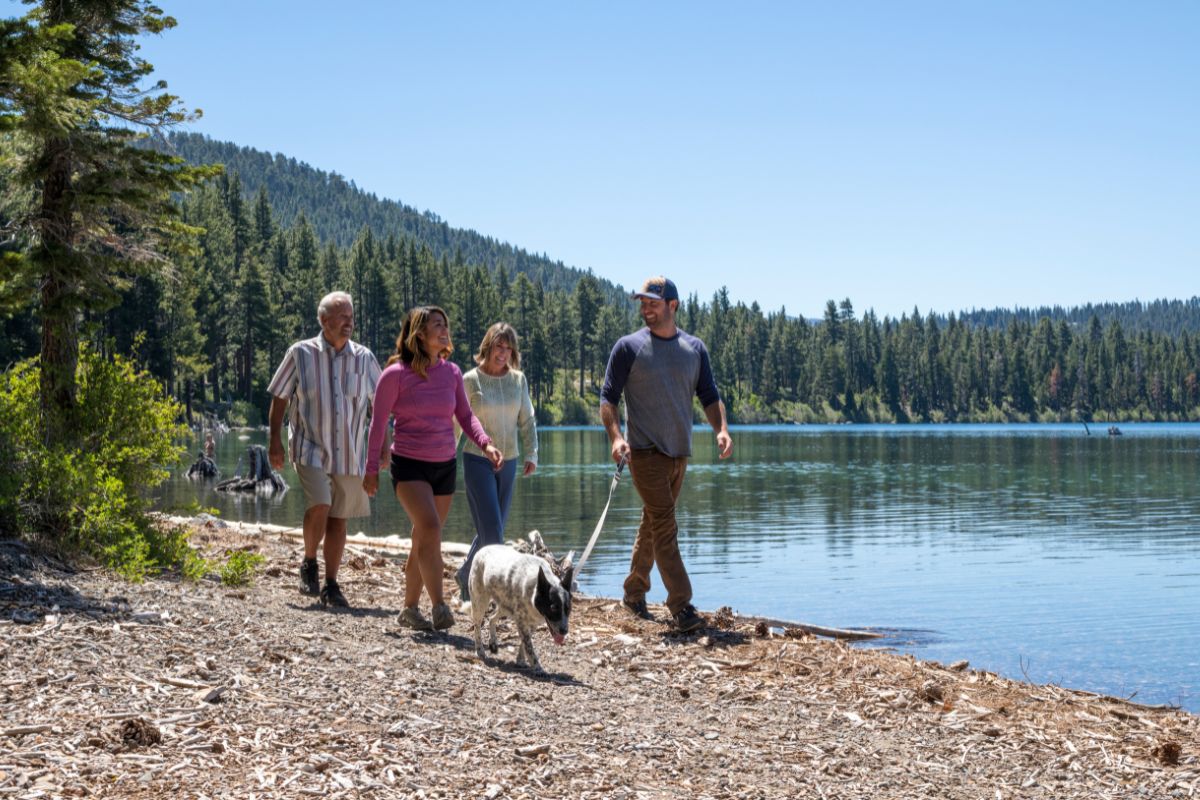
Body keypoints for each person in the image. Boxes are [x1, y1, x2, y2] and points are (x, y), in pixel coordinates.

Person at [600, 276, 733, 633]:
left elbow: (709, 395)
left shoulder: (694, 349)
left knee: (653, 522)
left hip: (679, 454)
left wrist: (720, 428)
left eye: (652, 303)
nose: (645, 309)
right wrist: (615, 438)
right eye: (642, 303)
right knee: (665, 525)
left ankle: (633, 591)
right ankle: (681, 605)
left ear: (672, 305)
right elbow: (608, 399)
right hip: (644, 452)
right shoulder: (628, 347)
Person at [363, 306, 503, 631]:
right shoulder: (394, 375)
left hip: (444, 466)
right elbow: (378, 424)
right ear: (419, 335)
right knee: (431, 528)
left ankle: (409, 609)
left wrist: (485, 444)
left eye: (445, 324)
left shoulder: (452, 373)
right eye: (436, 325)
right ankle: (439, 605)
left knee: (423, 537)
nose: (444, 330)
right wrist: (371, 468)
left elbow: (466, 417)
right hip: (409, 465)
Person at [268, 291, 381, 609]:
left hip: (350, 450)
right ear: (324, 320)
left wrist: (382, 450)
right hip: (309, 445)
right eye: (342, 316)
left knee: (339, 517)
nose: (349, 322)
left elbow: (381, 408)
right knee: (320, 503)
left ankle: (331, 583)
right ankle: (308, 561)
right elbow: (279, 397)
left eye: (351, 316)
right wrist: (274, 440)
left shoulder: (364, 358)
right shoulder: (300, 353)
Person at [454, 323, 538, 602]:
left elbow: (526, 419)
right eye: (498, 346)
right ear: (487, 346)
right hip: (477, 460)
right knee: (493, 535)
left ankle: (467, 575)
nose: (503, 353)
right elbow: (458, 421)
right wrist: (443, 457)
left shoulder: (518, 380)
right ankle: (494, 596)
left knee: (494, 528)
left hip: (510, 460)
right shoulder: (469, 380)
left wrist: (531, 453)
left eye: (508, 348)